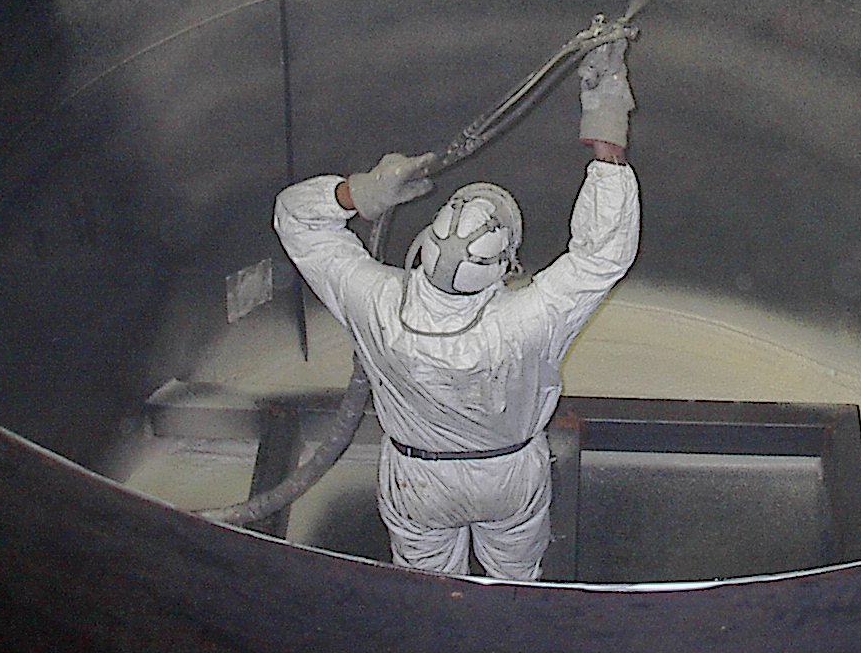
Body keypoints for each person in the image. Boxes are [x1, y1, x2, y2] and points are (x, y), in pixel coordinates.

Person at [274, 39, 640, 580]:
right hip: (507, 476)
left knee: (425, 587)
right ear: (505, 268)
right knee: (514, 586)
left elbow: (295, 218)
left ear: (425, 243)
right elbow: (601, 253)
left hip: (416, 477)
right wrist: (606, 127)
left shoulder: (376, 300)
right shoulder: (527, 319)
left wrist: (366, 192)